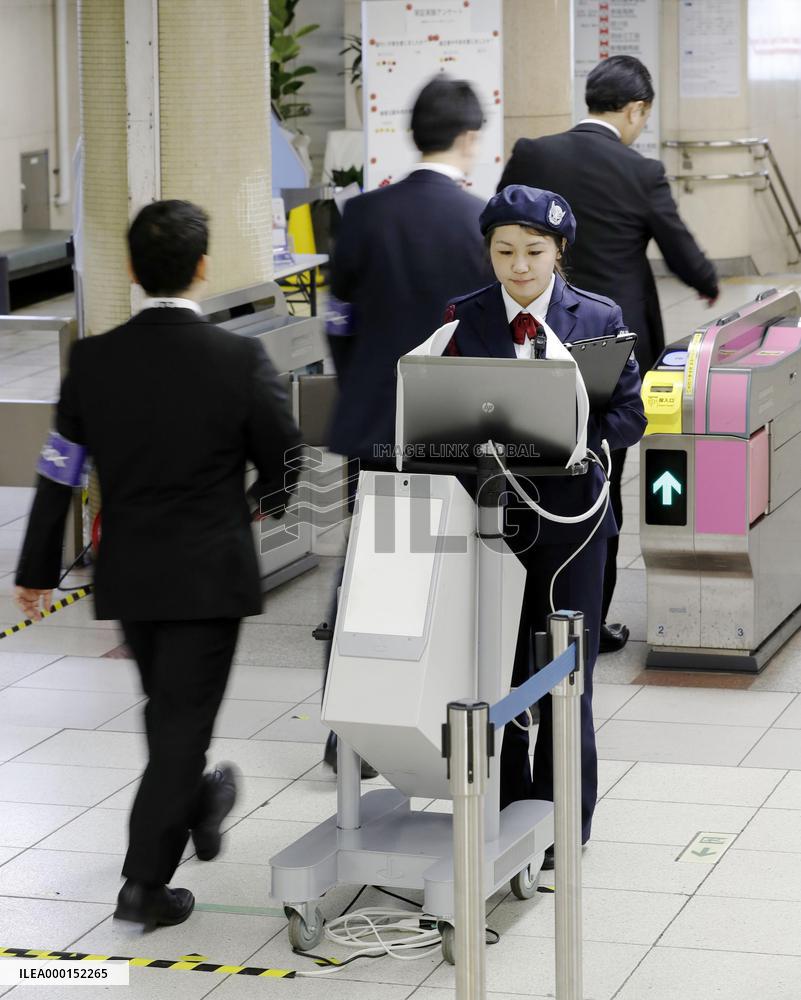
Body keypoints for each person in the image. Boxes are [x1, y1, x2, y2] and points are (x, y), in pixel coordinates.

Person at [14, 200, 301, 930]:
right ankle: (143, 883)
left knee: (169, 714)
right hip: (210, 575)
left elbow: (59, 468)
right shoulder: (239, 361)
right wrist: (264, 500)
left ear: (134, 272)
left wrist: (37, 567)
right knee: (179, 725)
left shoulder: (96, 360)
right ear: (203, 267)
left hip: (131, 574)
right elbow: (285, 455)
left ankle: (199, 797)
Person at [443, 185, 647, 866]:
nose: (519, 267)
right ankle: (504, 815)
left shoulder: (597, 317)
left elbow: (631, 414)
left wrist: (582, 436)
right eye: (504, 252)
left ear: (559, 251)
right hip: (494, 523)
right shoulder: (462, 318)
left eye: (533, 252)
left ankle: (564, 826)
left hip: (575, 524)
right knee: (497, 672)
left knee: (566, 673)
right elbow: (438, 414)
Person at [497, 55, 718, 653]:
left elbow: (503, 232)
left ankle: (519, 610)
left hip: (531, 332)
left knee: (524, 467)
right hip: (606, 343)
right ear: (635, 109)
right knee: (601, 475)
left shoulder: (531, 154)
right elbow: (678, 249)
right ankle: (588, 621)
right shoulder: (639, 170)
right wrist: (708, 282)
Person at [320, 74, 493, 771]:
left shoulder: (361, 215)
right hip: (452, 427)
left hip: (371, 422)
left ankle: (347, 735)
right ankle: (440, 718)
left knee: (366, 572)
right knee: (449, 570)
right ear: (468, 138)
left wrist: (365, 377)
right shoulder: (480, 224)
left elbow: (337, 322)